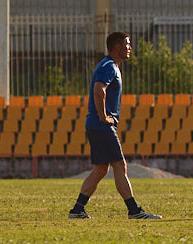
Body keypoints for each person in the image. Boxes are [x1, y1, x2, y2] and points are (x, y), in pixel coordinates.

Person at [68, 31, 162, 220]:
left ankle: (77, 209)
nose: (130, 48)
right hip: (101, 126)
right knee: (120, 165)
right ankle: (134, 210)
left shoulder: (110, 66)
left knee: (101, 169)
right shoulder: (109, 66)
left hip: (96, 125)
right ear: (117, 46)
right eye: (127, 44)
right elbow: (99, 90)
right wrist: (103, 116)